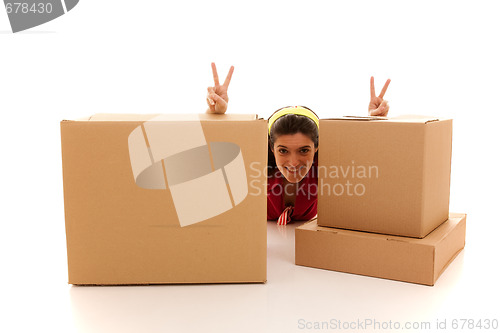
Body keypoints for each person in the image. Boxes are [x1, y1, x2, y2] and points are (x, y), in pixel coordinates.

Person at [206, 63, 390, 225]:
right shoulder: (257, 166)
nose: (293, 163)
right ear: (271, 148)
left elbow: (370, 159)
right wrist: (216, 114)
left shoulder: (326, 170)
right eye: (283, 150)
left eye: (303, 150)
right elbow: (214, 155)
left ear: (316, 148)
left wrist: (373, 124)